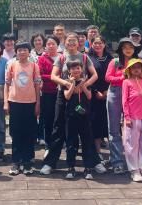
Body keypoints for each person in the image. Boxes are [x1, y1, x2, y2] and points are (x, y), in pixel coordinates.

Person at [40, 32, 106, 176]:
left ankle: (94, 162)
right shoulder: (61, 57)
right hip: (64, 95)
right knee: (58, 128)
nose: (71, 43)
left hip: (82, 95)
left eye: (74, 41)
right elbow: (53, 76)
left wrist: (83, 85)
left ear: (78, 42)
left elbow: (94, 75)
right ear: (65, 42)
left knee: (86, 129)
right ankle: (50, 162)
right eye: (68, 41)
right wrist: (68, 84)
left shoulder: (84, 57)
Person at [4, 41, 41, 175]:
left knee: (29, 133)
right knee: (15, 132)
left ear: (29, 52)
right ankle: (16, 162)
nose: (22, 52)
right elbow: (7, 84)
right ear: (16, 52)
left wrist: (38, 103)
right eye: (19, 50)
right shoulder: (12, 65)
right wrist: (6, 102)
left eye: (25, 50)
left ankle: (27, 162)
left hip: (30, 103)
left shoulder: (34, 66)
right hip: (14, 102)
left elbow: (37, 86)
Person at [105, 37, 139, 175]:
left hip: (133, 94)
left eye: (131, 47)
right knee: (114, 129)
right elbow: (108, 78)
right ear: (120, 49)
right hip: (115, 93)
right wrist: (123, 77)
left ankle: (134, 161)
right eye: (125, 47)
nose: (128, 50)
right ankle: (117, 161)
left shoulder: (138, 62)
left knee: (133, 128)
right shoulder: (115, 61)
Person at [63, 60, 98, 180]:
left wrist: (83, 84)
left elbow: (89, 96)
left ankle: (88, 168)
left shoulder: (86, 82)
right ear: (69, 71)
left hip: (84, 116)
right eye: (73, 68)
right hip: (71, 116)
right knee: (71, 143)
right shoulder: (66, 82)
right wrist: (73, 83)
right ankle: (70, 167)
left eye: (78, 68)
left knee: (86, 142)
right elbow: (67, 96)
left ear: (81, 69)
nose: (76, 70)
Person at [122, 58, 142, 183]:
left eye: (138, 67)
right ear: (129, 70)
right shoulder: (126, 82)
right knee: (131, 144)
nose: (136, 70)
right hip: (132, 118)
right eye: (133, 68)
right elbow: (124, 101)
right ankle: (134, 170)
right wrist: (127, 117)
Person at [86, 35, 112, 162]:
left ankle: (113, 153)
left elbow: (115, 75)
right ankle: (97, 152)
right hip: (94, 96)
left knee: (110, 124)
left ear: (104, 44)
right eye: (95, 43)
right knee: (95, 123)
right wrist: (96, 91)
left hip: (110, 94)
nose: (98, 45)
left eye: (100, 43)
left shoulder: (111, 59)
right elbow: (86, 77)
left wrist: (108, 91)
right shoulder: (88, 58)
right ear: (91, 44)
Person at [37, 35, 60, 150]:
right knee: (48, 118)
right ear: (45, 46)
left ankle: (59, 141)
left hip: (62, 92)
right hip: (47, 93)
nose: (51, 46)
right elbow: (40, 75)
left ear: (57, 45)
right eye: (48, 44)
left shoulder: (62, 57)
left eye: (53, 43)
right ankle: (48, 143)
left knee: (60, 118)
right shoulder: (42, 59)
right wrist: (55, 77)